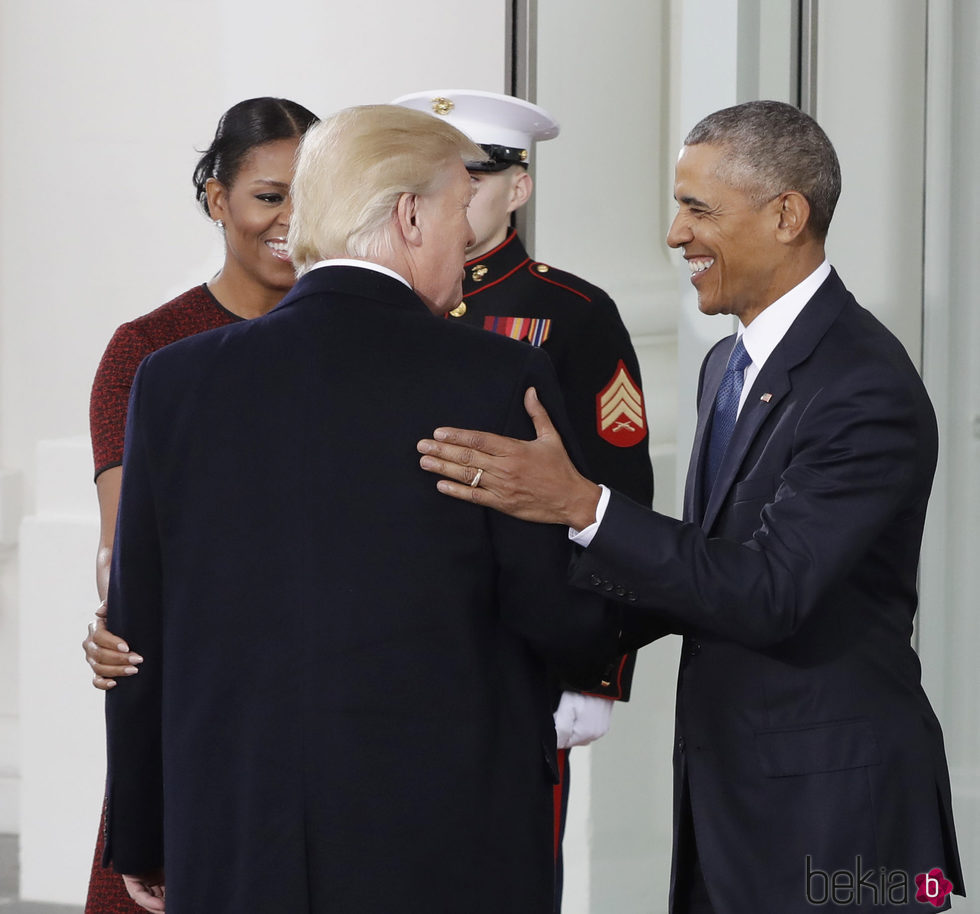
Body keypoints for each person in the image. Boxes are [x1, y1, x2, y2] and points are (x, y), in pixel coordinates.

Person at [417, 100, 964, 913]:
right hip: (731, 799)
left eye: (698, 209)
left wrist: (583, 502)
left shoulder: (863, 386)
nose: (676, 235)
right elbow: (699, 572)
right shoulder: (728, 365)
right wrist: (517, 641)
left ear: (787, 216)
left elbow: (768, 591)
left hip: (838, 820)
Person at [104, 104, 621, 914]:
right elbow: (552, 615)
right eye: (460, 213)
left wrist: (141, 832)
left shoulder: (174, 382)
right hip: (450, 846)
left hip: (237, 836)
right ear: (410, 216)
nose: (470, 243)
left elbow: (138, 628)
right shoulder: (494, 377)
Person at [392, 89, 654, 908]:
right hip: (404, 634)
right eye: (438, 173)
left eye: (472, 172)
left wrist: (596, 668)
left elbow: (619, 495)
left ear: (518, 185)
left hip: (524, 644)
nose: (456, 191)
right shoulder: (383, 302)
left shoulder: (571, 313)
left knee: (507, 877)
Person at [82, 95, 319, 914]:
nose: (291, 218)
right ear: (217, 199)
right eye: (268, 195)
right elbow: (126, 552)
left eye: (310, 195)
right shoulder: (147, 350)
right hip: (198, 705)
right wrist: (117, 621)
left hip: (325, 719)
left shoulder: (359, 349)